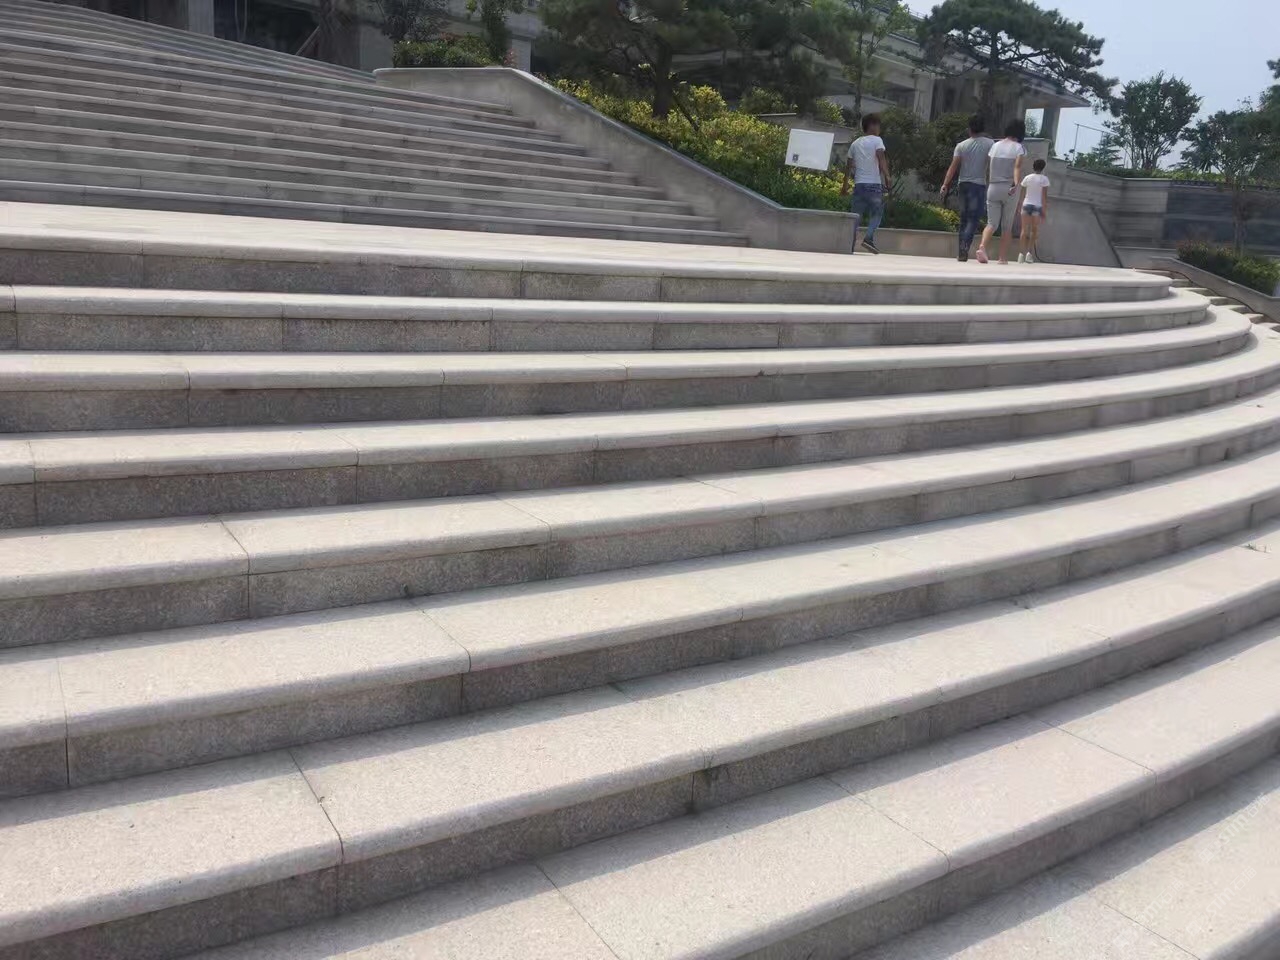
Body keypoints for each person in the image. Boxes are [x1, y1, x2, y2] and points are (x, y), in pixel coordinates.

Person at [939, 115, 995, 262]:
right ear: (983, 129)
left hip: (963, 184)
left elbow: (953, 167)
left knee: (964, 219)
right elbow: (992, 166)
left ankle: (961, 251)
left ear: (969, 129)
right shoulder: (990, 144)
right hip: (978, 185)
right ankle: (964, 247)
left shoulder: (961, 145)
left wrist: (945, 184)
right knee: (973, 219)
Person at [975, 119, 1027, 265]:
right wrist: (1016, 184)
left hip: (993, 187)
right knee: (1006, 226)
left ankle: (982, 247)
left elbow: (988, 167)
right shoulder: (1019, 148)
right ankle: (1002, 258)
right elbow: (1017, 167)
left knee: (991, 223)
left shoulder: (995, 146)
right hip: (1009, 188)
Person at [841, 114, 891, 255]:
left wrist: (844, 186)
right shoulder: (877, 140)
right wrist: (887, 176)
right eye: (878, 126)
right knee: (877, 212)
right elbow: (881, 158)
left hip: (859, 185)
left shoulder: (855, 143)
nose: (879, 129)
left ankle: (850, 244)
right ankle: (868, 238)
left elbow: (848, 167)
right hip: (873, 185)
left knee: (856, 216)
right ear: (872, 126)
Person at [1018, 158, 1050, 264]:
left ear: (1033, 166)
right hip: (1037, 206)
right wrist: (1044, 210)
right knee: (1034, 230)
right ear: (1043, 167)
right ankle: (1029, 253)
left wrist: (1020, 205)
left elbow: (1022, 193)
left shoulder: (1027, 178)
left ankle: (1021, 254)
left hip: (1026, 204)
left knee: (1024, 230)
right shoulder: (1044, 179)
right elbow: (1044, 196)